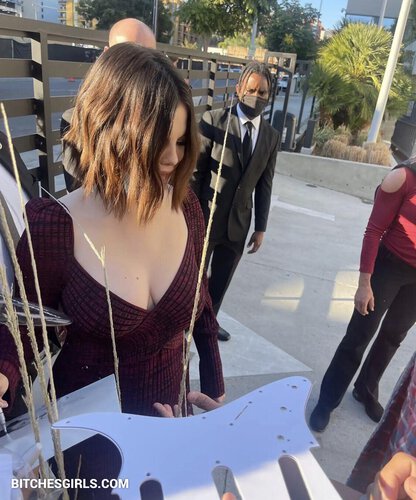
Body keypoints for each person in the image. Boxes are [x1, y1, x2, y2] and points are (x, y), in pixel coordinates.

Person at [0, 44, 224, 495]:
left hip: (170, 419)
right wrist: (1, 372)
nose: (173, 158)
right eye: (159, 143)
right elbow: (22, 328)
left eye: (182, 141)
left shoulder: (188, 208)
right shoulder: (55, 226)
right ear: (111, 133)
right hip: (92, 442)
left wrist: (215, 383)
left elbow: (200, 301)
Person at [309, 160, 416, 432]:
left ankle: (365, 389)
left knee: (393, 336)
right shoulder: (403, 178)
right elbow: (373, 231)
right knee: (360, 334)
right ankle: (327, 400)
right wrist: (364, 283)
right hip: (389, 266)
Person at [191, 61, 280, 341]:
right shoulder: (214, 121)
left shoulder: (271, 136)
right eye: (251, 89)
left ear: (269, 95)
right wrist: (191, 214)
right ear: (240, 89)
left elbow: (265, 184)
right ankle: (185, 322)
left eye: (262, 92)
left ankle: (208, 323)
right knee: (193, 278)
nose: (256, 96)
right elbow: (195, 173)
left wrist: (261, 227)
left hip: (239, 224)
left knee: (221, 281)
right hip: (207, 217)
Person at [61, 18, 157, 192]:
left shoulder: (165, 112)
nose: (143, 66)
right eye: (129, 56)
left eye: (151, 56)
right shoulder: (77, 119)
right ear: (107, 55)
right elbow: (78, 191)